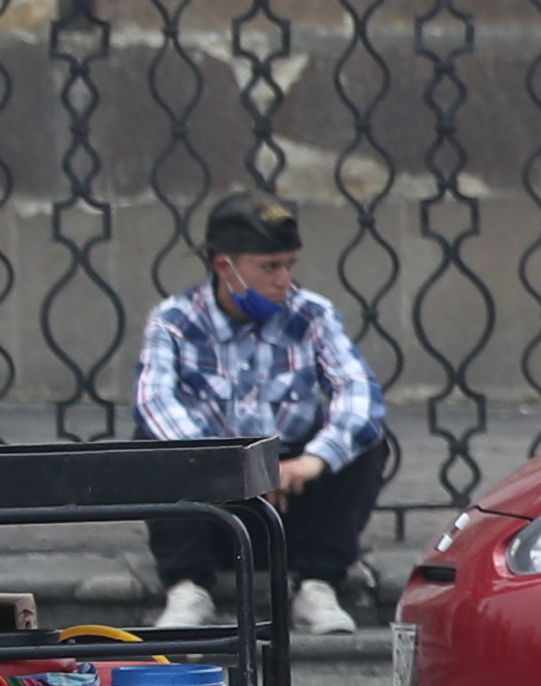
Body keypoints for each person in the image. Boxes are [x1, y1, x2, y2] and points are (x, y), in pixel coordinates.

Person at [131, 194, 393, 637]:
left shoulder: (312, 314)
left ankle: (316, 585)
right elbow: (154, 403)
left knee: (367, 440)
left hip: (292, 495)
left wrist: (311, 462)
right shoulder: (174, 321)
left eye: (289, 264)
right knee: (149, 442)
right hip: (212, 500)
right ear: (224, 267)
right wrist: (241, 471)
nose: (284, 280)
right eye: (269, 267)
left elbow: (359, 393)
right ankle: (188, 587)